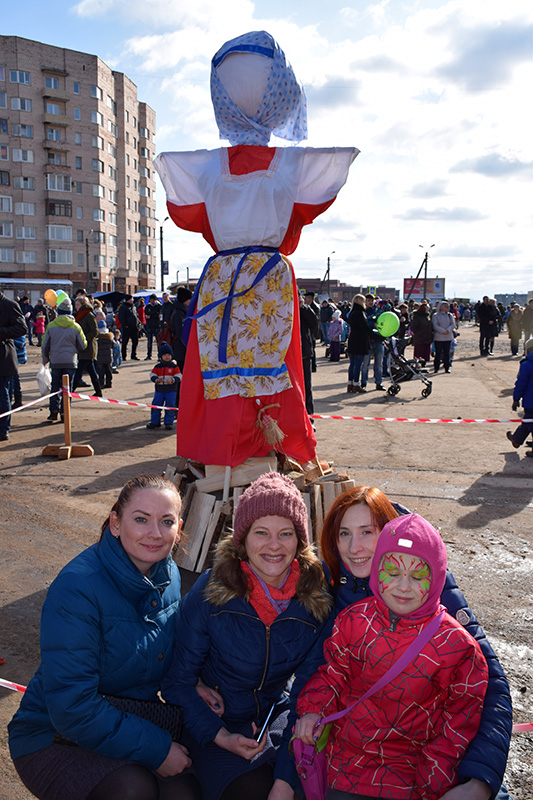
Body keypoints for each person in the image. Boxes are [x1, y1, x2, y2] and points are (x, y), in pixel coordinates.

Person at [154, 31, 357, 468]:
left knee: (218, 366)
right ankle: (278, 446)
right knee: (274, 365)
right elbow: (311, 203)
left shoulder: (202, 167)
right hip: (268, 277)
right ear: (282, 93)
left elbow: (189, 214)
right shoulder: (293, 166)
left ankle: (215, 450)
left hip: (223, 278)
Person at [8, 474, 201, 800]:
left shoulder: (167, 574)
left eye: (166, 522)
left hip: (129, 719)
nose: (155, 533)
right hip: (52, 734)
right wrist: (158, 751)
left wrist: (195, 685)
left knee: (185, 791)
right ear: (115, 523)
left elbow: (161, 652)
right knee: (133, 790)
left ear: (179, 527)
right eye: (141, 519)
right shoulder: (77, 588)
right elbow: (72, 708)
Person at [316, 486, 513, 800]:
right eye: (344, 534)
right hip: (358, 761)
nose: (354, 547)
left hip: (432, 760)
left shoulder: (429, 587)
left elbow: (489, 686)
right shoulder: (331, 585)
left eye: (367, 531)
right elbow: (320, 672)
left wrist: (481, 778)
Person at [162, 472, 333, 800]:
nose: (273, 545)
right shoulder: (214, 591)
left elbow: (308, 688)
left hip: (275, 715)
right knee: (249, 790)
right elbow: (176, 682)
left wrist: (285, 778)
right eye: (261, 533)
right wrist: (221, 735)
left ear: (300, 540)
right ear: (242, 540)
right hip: (210, 724)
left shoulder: (315, 599)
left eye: (286, 533)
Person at [41, 296, 87, 423]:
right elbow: (83, 345)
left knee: (54, 387)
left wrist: (45, 359)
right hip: (70, 361)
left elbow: (45, 345)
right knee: (68, 388)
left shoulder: (51, 326)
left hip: (55, 361)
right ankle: (65, 412)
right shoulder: (76, 327)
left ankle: (53, 411)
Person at [0, 290, 27, 441]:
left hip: (3, 357)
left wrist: (1, 332)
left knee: (2, 396)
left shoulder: (9, 305)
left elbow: (22, 329)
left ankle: (3, 429)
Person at [506, 337, 533, 457]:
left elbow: (520, 384)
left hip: (530, 402)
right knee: (528, 421)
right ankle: (516, 439)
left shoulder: (526, 365)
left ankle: (517, 439)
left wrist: (516, 399)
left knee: (530, 421)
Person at [146, 342, 181, 431]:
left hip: (171, 390)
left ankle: (168, 423)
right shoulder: (157, 367)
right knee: (156, 406)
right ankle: (155, 422)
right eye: (165, 355)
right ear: (161, 356)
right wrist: (156, 379)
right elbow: (152, 375)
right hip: (159, 390)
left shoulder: (174, 367)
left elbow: (179, 376)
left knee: (170, 407)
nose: (167, 357)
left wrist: (173, 380)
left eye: (168, 354)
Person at [72, 296, 102, 397]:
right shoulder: (79, 315)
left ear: (83, 304)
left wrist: (83, 339)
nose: (76, 307)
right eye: (75, 305)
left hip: (88, 348)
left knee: (79, 371)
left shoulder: (89, 315)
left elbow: (94, 331)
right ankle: (98, 391)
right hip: (82, 347)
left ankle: (70, 392)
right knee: (91, 371)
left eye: (78, 305)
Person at [299, 293, 319, 416]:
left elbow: (314, 322)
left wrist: (303, 307)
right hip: (286, 357)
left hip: (304, 353)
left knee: (306, 386)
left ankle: (309, 416)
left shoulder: (304, 309)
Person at [361, 294, 385, 391]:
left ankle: (379, 383)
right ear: (365, 302)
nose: (370, 302)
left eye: (372, 300)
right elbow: (365, 324)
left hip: (379, 340)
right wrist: (373, 323)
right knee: (365, 364)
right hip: (367, 341)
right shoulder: (363, 312)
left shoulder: (379, 311)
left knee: (379, 364)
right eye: (368, 300)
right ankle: (363, 383)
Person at [346, 294, 370, 393]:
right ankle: (356, 384)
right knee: (358, 363)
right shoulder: (360, 313)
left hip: (353, 339)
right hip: (360, 340)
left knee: (352, 363)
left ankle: (350, 383)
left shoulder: (352, 313)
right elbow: (365, 327)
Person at [432, 300, 456, 373]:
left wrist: (448, 330)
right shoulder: (436, 315)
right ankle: (436, 367)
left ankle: (447, 367)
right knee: (438, 353)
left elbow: (453, 324)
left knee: (447, 353)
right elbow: (435, 325)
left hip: (448, 337)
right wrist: (443, 331)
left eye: (446, 306)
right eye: (444, 306)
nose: (445, 308)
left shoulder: (449, 315)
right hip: (439, 337)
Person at [117, 295, 141, 360]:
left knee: (135, 341)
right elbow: (121, 317)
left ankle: (133, 355)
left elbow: (136, 316)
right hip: (127, 328)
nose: (132, 300)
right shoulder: (123, 307)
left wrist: (138, 323)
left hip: (135, 327)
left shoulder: (134, 307)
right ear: (128, 299)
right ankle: (124, 356)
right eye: (131, 299)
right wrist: (125, 325)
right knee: (125, 342)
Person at [95, 320, 114, 390]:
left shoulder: (97, 339)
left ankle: (101, 383)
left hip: (99, 358)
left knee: (101, 372)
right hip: (108, 357)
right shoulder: (110, 338)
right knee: (109, 371)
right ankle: (109, 383)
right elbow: (113, 346)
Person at [145, 293, 163, 360]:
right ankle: (149, 355)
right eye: (151, 300)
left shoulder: (159, 306)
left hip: (157, 326)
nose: (152, 301)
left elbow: (160, 314)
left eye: (153, 300)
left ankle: (159, 356)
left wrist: (152, 314)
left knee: (159, 342)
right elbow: (146, 313)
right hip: (149, 326)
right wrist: (155, 313)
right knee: (149, 342)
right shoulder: (148, 306)